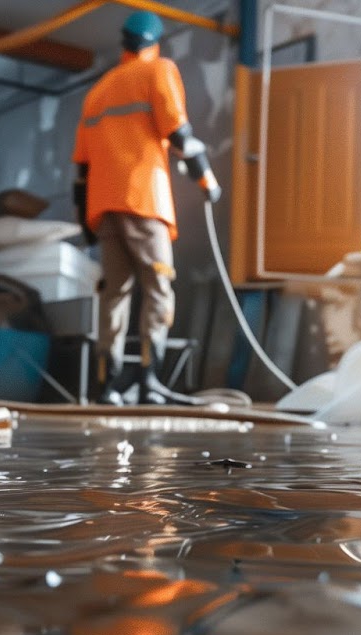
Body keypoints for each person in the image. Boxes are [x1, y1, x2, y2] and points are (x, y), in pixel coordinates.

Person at [72, 10, 221, 405]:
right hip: (143, 200)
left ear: (123, 43)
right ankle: (149, 382)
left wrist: (86, 223)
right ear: (154, 43)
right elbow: (180, 134)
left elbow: (81, 171)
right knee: (158, 286)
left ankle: (106, 387)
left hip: (103, 207)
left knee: (114, 293)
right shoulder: (159, 71)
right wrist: (208, 181)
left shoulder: (97, 92)